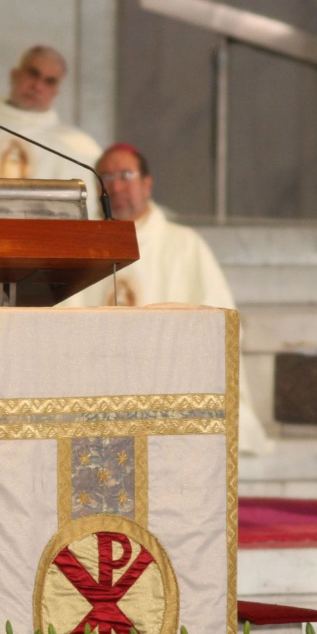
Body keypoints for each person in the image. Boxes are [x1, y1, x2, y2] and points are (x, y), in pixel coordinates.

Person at [83, 143, 272, 451]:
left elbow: (220, 321)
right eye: (106, 176)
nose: (115, 186)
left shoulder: (185, 245)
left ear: (147, 183)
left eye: (125, 175)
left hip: (166, 378)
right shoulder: (78, 245)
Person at [0, 45, 101, 210]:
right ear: (14, 75)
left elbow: (89, 212)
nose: (38, 86)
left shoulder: (78, 146)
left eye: (49, 81)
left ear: (56, 91)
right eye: (33, 74)